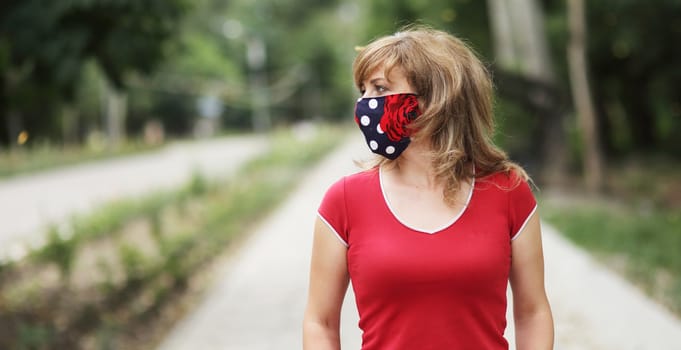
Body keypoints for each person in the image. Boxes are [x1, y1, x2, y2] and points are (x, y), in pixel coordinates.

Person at [303, 26, 554, 350]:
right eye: (363, 91)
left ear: (437, 97)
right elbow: (319, 323)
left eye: (379, 89)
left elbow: (533, 312)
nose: (365, 105)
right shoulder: (345, 200)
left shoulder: (508, 192)